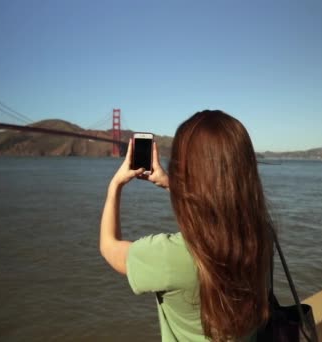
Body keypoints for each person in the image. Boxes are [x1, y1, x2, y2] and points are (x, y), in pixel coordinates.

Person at [100, 110, 274, 341]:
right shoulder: (261, 234)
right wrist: (170, 183)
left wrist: (115, 184)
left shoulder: (169, 256)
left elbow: (109, 246)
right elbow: (219, 204)